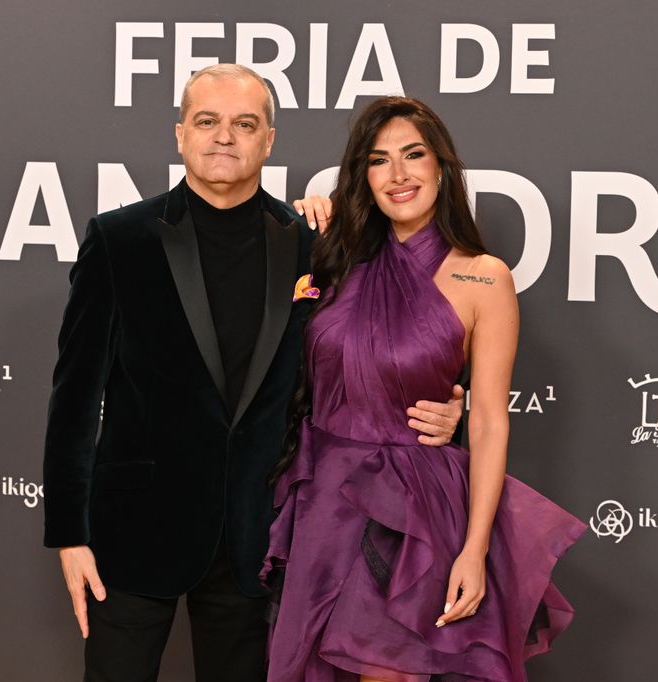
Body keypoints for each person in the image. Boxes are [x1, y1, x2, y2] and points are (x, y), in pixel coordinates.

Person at [42, 66, 465, 682]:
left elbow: (373, 359)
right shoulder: (118, 239)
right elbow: (75, 397)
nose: (224, 136)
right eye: (207, 121)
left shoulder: (316, 246)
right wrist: (69, 534)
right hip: (132, 530)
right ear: (180, 133)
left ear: (268, 140)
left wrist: (452, 410)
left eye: (244, 123)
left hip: (257, 536)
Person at [262, 96, 587, 682]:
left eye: (413, 155)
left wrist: (474, 550)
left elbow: (488, 420)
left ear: (441, 166)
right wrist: (299, 221)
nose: (398, 174)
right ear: (362, 176)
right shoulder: (333, 256)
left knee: (389, 669)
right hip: (323, 498)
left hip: (409, 508)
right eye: (378, 160)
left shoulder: (483, 276)